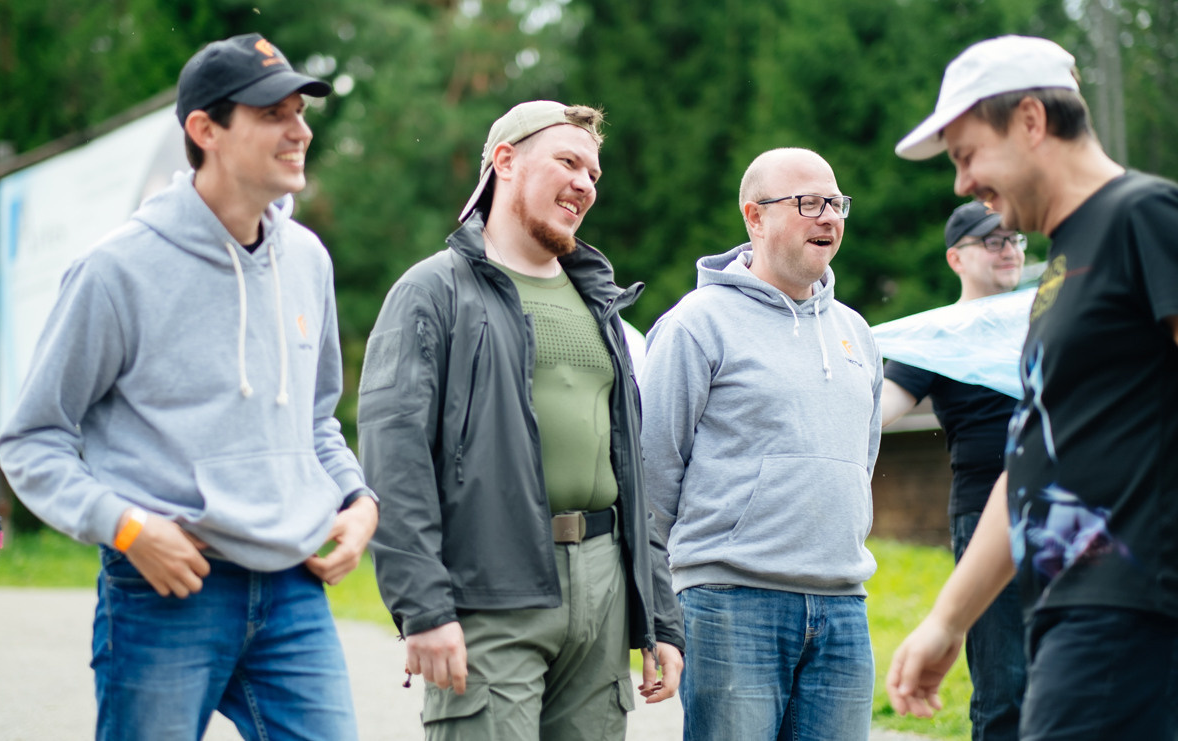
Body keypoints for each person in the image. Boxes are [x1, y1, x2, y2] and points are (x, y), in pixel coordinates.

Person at [0, 33, 378, 741]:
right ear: (204, 130)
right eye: (273, 113)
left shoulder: (307, 260)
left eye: (301, 111)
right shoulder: (117, 270)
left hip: (294, 586)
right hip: (167, 586)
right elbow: (33, 438)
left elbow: (317, 419)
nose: (300, 130)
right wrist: (127, 527)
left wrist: (356, 498)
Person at [357, 100, 684, 740]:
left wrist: (659, 620)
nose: (586, 184)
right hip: (489, 587)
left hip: (603, 587)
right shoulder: (433, 292)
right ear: (505, 161)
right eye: (568, 162)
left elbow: (633, 473)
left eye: (594, 173)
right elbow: (394, 460)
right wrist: (422, 606)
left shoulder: (602, 306)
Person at [886, 34, 1178, 739]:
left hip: (1137, 611)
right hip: (1069, 610)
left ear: (1030, 120)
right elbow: (1033, 459)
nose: (961, 184)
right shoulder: (1062, 267)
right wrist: (948, 618)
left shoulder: (1144, 217)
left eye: (966, 155)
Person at [640, 147, 882, 741]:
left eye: (836, 202)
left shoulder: (857, 333)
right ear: (754, 216)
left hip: (843, 604)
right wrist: (655, 610)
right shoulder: (696, 324)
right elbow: (652, 473)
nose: (828, 216)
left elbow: (863, 459)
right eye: (808, 203)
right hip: (730, 602)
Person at [881, 200, 1028, 741]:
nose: (1009, 250)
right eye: (993, 241)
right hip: (985, 513)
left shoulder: (1050, 320)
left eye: (1015, 239)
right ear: (955, 258)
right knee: (1005, 684)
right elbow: (875, 413)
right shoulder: (938, 337)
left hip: (1071, 512)